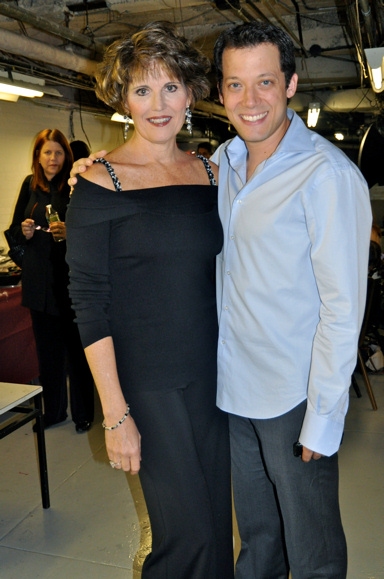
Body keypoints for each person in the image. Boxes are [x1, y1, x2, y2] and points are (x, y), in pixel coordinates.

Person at [65, 22, 233, 579]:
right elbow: (89, 302)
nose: (157, 104)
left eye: (170, 87)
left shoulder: (214, 173)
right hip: (149, 383)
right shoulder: (99, 183)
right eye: (141, 90)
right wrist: (115, 413)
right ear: (122, 98)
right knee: (188, 541)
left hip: (214, 377)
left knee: (213, 521)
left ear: (190, 92)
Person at [210, 21, 372, 578]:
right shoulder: (223, 163)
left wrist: (323, 420)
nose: (249, 100)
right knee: (257, 544)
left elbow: (343, 308)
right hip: (234, 387)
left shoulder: (325, 174)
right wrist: (102, 170)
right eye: (235, 84)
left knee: (313, 551)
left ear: (290, 84)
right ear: (220, 90)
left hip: (293, 395)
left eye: (264, 82)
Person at [8, 129, 94, 433]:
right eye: (47, 152)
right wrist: (25, 232)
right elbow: (13, 233)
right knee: (48, 355)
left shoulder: (78, 186)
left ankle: (84, 413)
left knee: (77, 354)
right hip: (39, 285)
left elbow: (94, 234)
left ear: (66, 157)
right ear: (38, 156)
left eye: (58, 152)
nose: (53, 158)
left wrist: (71, 234)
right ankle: (54, 411)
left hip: (70, 284)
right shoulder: (28, 186)